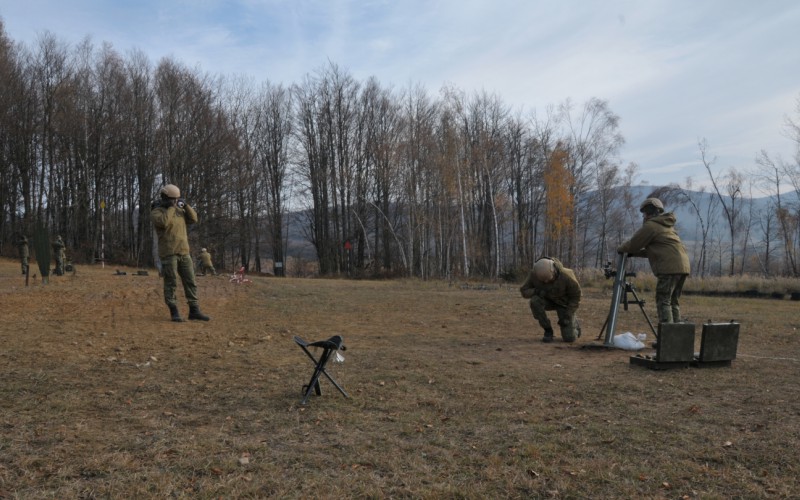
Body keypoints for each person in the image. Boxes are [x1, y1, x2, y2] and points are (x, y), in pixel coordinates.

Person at [617, 197, 690, 324]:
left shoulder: (651, 226)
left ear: (647, 212)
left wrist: (621, 249)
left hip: (669, 268)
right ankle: (677, 338)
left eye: (644, 213)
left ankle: (666, 339)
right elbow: (654, 250)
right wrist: (633, 254)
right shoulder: (667, 227)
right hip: (682, 266)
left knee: (663, 301)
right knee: (673, 301)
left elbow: (633, 244)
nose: (643, 217)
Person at [151, 184, 210, 322]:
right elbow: (164, 223)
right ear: (166, 198)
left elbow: (194, 219)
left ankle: (194, 311)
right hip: (168, 253)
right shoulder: (156, 211)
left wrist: (186, 205)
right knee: (171, 283)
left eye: (177, 199)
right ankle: (174, 311)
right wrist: (171, 207)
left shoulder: (179, 209)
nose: (175, 201)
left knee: (191, 281)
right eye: (173, 199)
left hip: (184, 251)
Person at [520, 257, 582, 343]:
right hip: (547, 301)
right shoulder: (534, 274)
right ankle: (548, 330)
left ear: (554, 271)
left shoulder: (567, 275)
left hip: (563, 304)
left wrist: (568, 315)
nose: (546, 282)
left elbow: (576, 297)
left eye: (549, 280)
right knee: (535, 301)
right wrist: (536, 291)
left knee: (569, 338)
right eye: (543, 281)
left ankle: (574, 323)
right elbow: (524, 291)